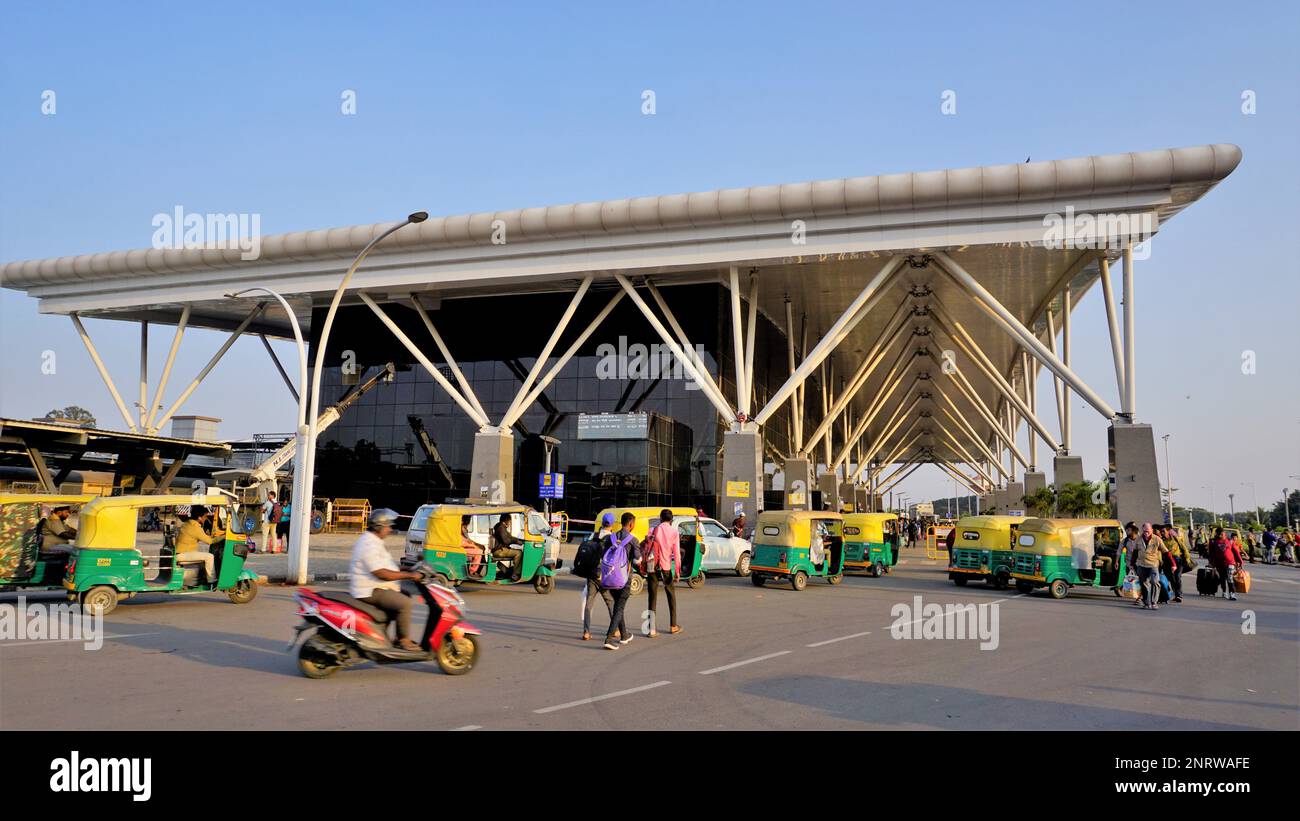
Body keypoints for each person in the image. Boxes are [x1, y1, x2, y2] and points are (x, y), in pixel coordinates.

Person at [349, 508, 423, 651]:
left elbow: (385, 565)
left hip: (375, 586)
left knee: (405, 594)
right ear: (379, 527)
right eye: (388, 526)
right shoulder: (368, 544)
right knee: (405, 603)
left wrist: (407, 569)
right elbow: (381, 573)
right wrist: (410, 576)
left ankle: (387, 636)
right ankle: (403, 641)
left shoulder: (375, 541)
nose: (390, 529)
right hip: (369, 590)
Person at [601, 512, 642, 650]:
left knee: (619, 607)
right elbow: (637, 560)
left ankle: (624, 635)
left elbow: (604, 555)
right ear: (631, 524)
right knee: (619, 608)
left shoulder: (610, 537)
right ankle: (609, 638)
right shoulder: (633, 539)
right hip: (624, 580)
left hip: (610, 578)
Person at [643, 509, 682, 637]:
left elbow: (648, 546)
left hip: (652, 566)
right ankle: (673, 625)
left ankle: (651, 629)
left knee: (652, 597)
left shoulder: (653, 530)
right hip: (665, 567)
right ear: (671, 520)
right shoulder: (674, 532)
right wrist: (677, 571)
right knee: (671, 596)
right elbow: (676, 553)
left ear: (660, 519)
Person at [579, 513, 617, 641]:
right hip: (603, 575)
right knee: (610, 601)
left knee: (589, 603)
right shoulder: (612, 538)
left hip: (591, 574)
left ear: (602, 523)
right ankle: (615, 629)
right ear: (611, 524)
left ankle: (586, 632)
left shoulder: (593, 535)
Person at [1124, 522, 1167, 610]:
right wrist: (1132, 564)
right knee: (1144, 584)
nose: (1146, 533)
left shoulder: (1157, 539)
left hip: (1153, 565)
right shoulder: (1138, 539)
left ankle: (1154, 602)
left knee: (1155, 582)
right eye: (1144, 531)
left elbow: (1166, 552)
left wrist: (1172, 564)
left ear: (1151, 530)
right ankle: (1146, 603)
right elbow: (1135, 553)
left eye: (1147, 531)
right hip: (1141, 565)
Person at [175, 505, 222, 582]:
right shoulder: (195, 527)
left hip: (180, 553)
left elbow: (195, 537)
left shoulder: (187, 523)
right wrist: (225, 536)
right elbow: (210, 541)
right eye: (205, 516)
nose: (206, 518)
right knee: (209, 557)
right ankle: (212, 580)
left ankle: (202, 578)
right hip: (182, 555)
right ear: (200, 517)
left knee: (203, 555)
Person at [1209, 526, 1241, 601]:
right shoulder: (1213, 541)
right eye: (1219, 533)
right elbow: (1211, 554)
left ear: (1224, 533)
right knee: (1222, 578)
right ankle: (1224, 592)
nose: (1221, 535)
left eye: (1222, 533)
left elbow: (1236, 551)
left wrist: (1240, 561)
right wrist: (1211, 563)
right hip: (1219, 563)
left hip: (1230, 562)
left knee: (1229, 577)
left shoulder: (1230, 541)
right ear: (1216, 534)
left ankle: (1232, 594)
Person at [490, 512, 524, 582]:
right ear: (505, 521)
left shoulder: (502, 528)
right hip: (499, 551)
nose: (510, 523)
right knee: (519, 553)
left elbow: (510, 537)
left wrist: (519, 540)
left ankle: (511, 571)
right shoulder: (501, 528)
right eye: (509, 521)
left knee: (518, 551)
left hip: (500, 549)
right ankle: (515, 574)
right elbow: (506, 541)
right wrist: (516, 542)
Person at [1161, 524, 1191, 604]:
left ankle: (1179, 595)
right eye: (1161, 532)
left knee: (1177, 576)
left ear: (1168, 531)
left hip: (1177, 560)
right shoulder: (1161, 540)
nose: (1162, 533)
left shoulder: (1175, 538)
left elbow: (1184, 548)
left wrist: (1187, 558)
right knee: (1171, 578)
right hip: (1167, 561)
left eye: (1163, 531)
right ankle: (1175, 594)